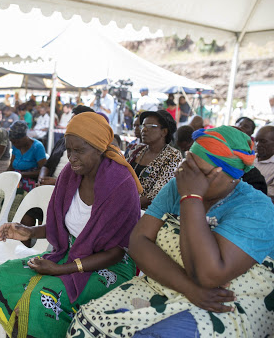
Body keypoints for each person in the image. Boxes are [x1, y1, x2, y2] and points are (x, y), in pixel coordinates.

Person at [68, 126, 274, 338]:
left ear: (230, 176)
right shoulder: (179, 185)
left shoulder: (255, 207)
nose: (183, 174)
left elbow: (208, 275)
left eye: (198, 172)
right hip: (167, 286)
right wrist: (188, 288)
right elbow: (138, 242)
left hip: (227, 303)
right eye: (187, 163)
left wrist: (191, 198)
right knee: (87, 322)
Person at [0, 112, 143, 338]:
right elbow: (63, 226)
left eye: (79, 150)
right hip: (72, 252)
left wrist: (60, 269)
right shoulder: (70, 174)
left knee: (42, 301)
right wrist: (28, 232)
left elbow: (115, 252)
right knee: (5, 275)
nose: (71, 157)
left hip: (110, 266)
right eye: (69, 150)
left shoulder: (120, 185)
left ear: (99, 148)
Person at [127, 110, 182, 209]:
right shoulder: (137, 150)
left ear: (164, 132)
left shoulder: (172, 155)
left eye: (149, 126)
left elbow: (156, 194)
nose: (143, 130)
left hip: (149, 214)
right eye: (143, 126)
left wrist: (127, 207)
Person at [38, 105, 95, 186]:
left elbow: (85, 181)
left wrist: (56, 182)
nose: (69, 124)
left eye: (74, 122)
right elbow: (47, 165)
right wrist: (41, 179)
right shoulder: (62, 142)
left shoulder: (91, 149)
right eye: (70, 121)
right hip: (49, 186)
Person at [8, 120, 47, 191]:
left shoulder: (37, 147)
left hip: (30, 180)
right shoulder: (15, 146)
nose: (14, 145)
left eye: (17, 142)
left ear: (24, 137)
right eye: (12, 142)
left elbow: (42, 170)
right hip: (16, 178)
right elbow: (11, 166)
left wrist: (21, 174)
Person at [255, 125, 274, 202]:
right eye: (256, 141)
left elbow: (270, 196)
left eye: (263, 141)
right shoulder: (249, 159)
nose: (258, 145)